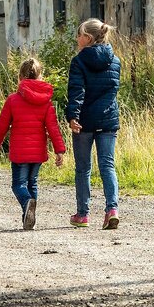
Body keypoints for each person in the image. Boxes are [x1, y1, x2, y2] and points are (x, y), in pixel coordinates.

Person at [0, 57, 66, 230]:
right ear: (40, 77)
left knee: (18, 185)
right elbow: (53, 128)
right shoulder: (46, 102)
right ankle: (29, 215)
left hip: (20, 152)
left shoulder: (12, 100)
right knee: (32, 183)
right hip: (38, 152)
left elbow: (2, 125)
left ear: (20, 78)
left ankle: (27, 205)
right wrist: (59, 150)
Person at [66, 18, 122, 229]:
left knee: (83, 169)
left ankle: (82, 214)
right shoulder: (115, 61)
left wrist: (73, 116)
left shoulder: (78, 61)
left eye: (79, 34)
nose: (77, 38)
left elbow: (77, 91)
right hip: (108, 120)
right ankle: (112, 209)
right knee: (107, 165)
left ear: (87, 38)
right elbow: (112, 91)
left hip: (85, 122)